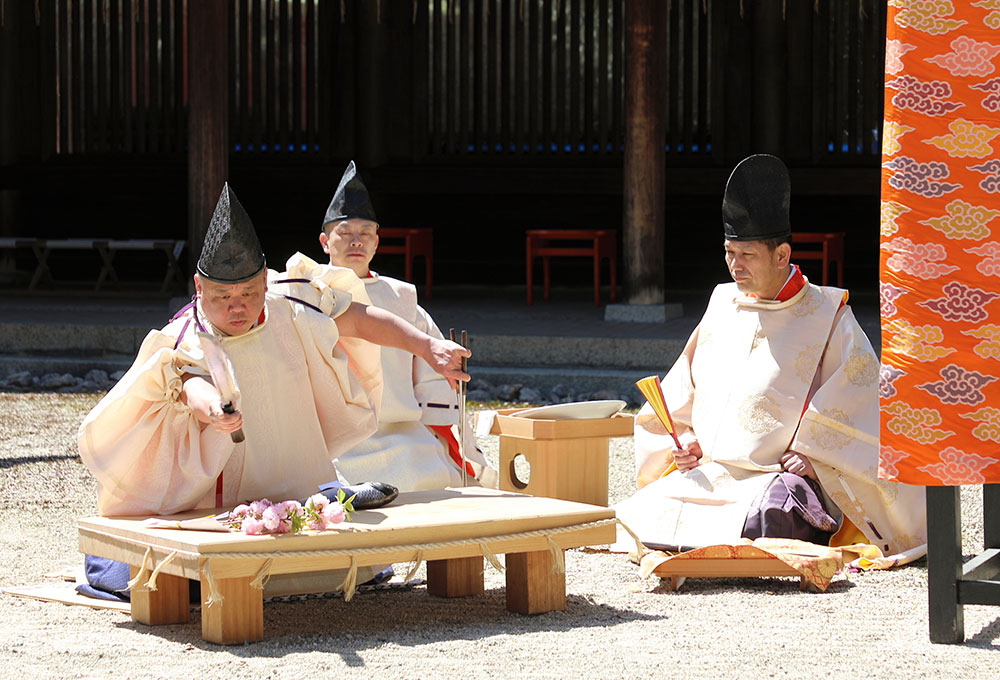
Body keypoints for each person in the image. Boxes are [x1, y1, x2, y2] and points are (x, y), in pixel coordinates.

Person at [77, 183, 470, 600]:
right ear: (198, 287)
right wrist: (214, 409)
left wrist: (427, 346)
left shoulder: (294, 304)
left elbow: (358, 318)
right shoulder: (187, 333)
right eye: (222, 296)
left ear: (265, 280)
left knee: (336, 558)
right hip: (210, 499)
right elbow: (190, 380)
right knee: (164, 576)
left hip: (291, 480)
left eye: (248, 292)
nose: (237, 307)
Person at [613, 155, 926, 564]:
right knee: (637, 516)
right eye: (729, 252)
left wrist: (817, 456)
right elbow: (682, 393)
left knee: (773, 515)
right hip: (711, 472)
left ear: (782, 255)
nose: (734, 265)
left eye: (747, 255)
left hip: (776, 476)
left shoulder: (828, 312)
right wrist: (685, 439)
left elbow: (863, 398)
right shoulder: (722, 302)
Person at [300, 160, 496, 490]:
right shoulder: (305, 292)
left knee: (432, 479)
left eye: (365, 234)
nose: (356, 242)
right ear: (324, 242)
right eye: (344, 234)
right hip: (332, 439)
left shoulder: (401, 297)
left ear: (377, 242)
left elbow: (431, 368)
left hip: (403, 431)